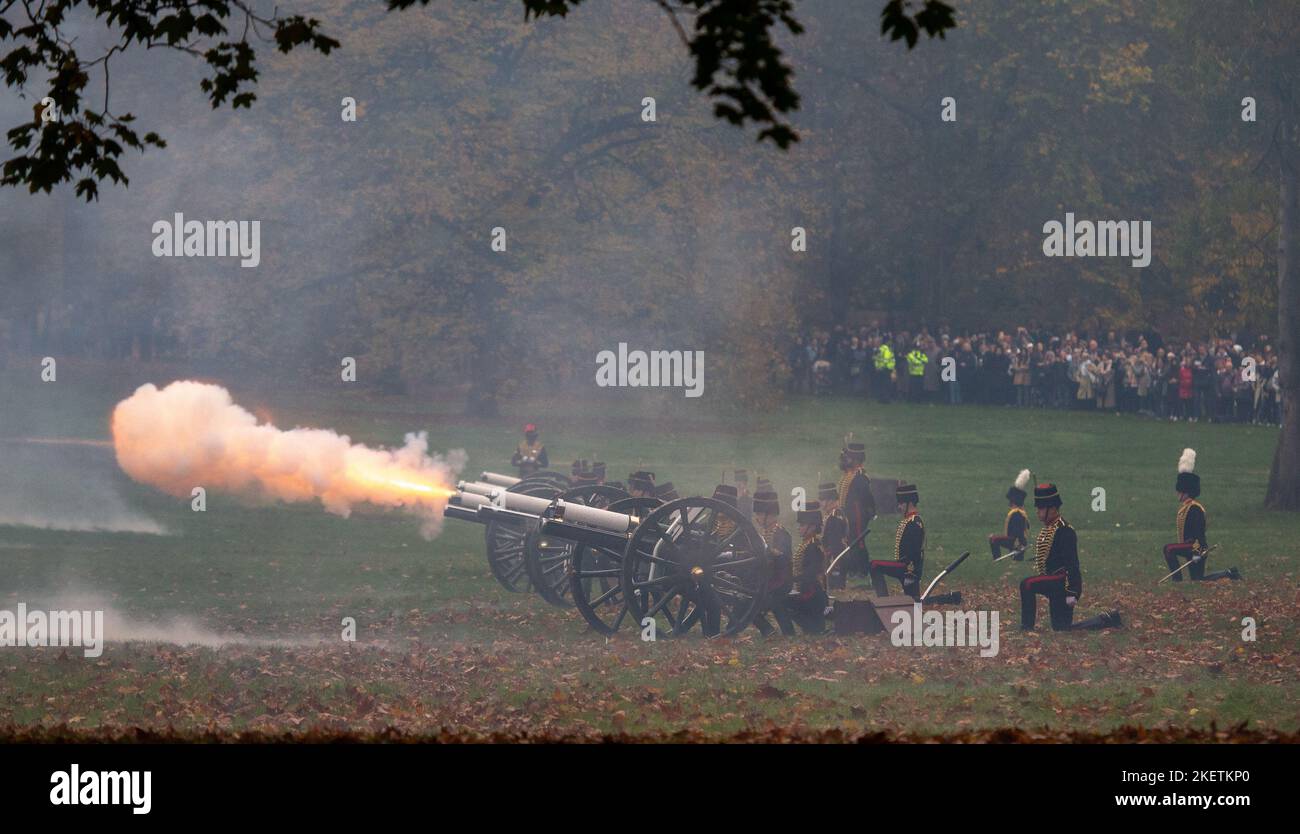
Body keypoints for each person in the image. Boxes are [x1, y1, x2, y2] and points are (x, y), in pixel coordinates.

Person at [1019, 483, 1120, 631]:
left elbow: (1072, 564)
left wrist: (1072, 591)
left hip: (1062, 582)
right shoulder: (1049, 529)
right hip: (1052, 581)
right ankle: (1106, 619)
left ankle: (1026, 627)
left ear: (1052, 509)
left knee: (1027, 584)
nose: (1038, 512)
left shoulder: (1065, 530)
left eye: (1041, 508)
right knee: (1062, 628)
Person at [1163, 448, 1240, 582]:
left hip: (1195, 547)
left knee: (1168, 549)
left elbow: (1199, 535)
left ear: (1185, 492)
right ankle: (1228, 573)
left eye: (1179, 491)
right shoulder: (1186, 507)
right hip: (1190, 547)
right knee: (1198, 580)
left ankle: (1177, 581)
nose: (1177, 494)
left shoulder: (1194, 509)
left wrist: (1198, 553)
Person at [750, 490, 796, 636]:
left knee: (752, 607)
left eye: (759, 514)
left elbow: (781, 560)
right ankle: (782, 632)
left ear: (768, 515)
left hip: (780, 581)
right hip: (769, 580)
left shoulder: (781, 534)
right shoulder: (765, 533)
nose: (757, 518)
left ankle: (769, 630)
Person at [870, 483, 924, 598]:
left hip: (907, 568)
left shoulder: (914, 522)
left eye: (901, 503)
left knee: (874, 565)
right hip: (904, 566)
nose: (899, 507)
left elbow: (914, 552)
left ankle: (884, 601)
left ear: (909, 503)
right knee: (914, 602)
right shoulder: (911, 520)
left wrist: (910, 573)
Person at [787, 500, 829, 634]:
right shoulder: (808, 544)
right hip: (808, 591)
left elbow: (810, 575)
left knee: (783, 603)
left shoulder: (813, 546)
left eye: (802, 525)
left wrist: (792, 579)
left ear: (812, 526)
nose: (799, 528)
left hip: (813, 594)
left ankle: (813, 629)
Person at [836, 439, 876, 578]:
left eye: (849, 458)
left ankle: (862, 569)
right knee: (848, 539)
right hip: (848, 513)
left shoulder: (860, 477)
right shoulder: (848, 475)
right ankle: (852, 567)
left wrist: (870, 511)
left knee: (858, 540)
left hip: (858, 514)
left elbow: (866, 497)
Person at [990, 469, 1031, 560]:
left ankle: (997, 559)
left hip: (1015, 541)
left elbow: (1019, 531)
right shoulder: (1020, 512)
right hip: (1017, 540)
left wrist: (1019, 543)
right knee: (1017, 559)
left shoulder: (1017, 514)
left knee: (993, 539)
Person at [819, 481, 847, 590]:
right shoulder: (831, 515)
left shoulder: (835, 516)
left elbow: (835, 544)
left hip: (835, 560)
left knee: (835, 591)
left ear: (829, 500)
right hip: (831, 559)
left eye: (822, 499)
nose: (820, 503)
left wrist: (828, 562)